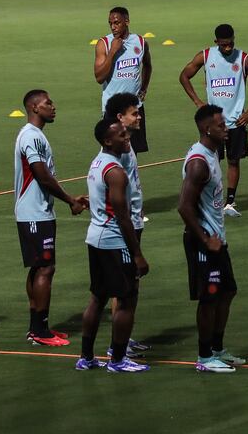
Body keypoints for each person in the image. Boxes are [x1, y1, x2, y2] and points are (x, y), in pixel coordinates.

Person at [14, 89, 88, 346]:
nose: (53, 107)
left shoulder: (35, 135)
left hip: (37, 211)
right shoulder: (31, 137)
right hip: (34, 213)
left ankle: (36, 327)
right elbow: (41, 174)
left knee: (38, 267)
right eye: (48, 103)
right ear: (34, 107)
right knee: (46, 268)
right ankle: (40, 331)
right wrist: (70, 201)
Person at [75, 118, 149, 373]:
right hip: (114, 242)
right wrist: (137, 254)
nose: (127, 136)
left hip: (94, 238)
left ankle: (86, 357)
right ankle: (117, 359)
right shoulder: (116, 172)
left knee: (97, 298)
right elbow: (122, 215)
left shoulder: (97, 163)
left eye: (126, 133)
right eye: (121, 135)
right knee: (126, 300)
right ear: (108, 140)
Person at [177, 105, 245, 373]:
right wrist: (205, 240)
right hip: (202, 241)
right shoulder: (198, 162)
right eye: (220, 125)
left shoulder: (213, 153)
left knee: (228, 291)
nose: (225, 128)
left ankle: (217, 349)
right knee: (210, 297)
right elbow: (184, 206)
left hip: (216, 238)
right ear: (207, 129)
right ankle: (204, 357)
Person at [179, 24, 248, 217]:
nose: (228, 48)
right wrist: (198, 102)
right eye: (224, 45)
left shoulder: (244, 59)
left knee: (233, 161)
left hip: (236, 121)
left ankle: (230, 202)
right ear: (216, 43)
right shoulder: (206, 56)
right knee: (211, 161)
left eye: (230, 44)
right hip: (214, 123)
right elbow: (184, 76)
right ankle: (211, 199)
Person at [104, 92, 151, 358]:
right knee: (122, 286)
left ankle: (124, 338)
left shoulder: (126, 145)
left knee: (130, 284)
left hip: (133, 222)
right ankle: (117, 345)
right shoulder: (117, 150)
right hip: (124, 228)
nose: (139, 116)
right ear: (120, 118)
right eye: (134, 113)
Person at [94, 6, 152, 153]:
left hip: (134, 108)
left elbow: (148, 65)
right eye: (110, 23)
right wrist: (113, 52)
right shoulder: (105, 44)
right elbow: (99, 77)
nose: (113, 27)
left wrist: (144, 88)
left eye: (117, 23)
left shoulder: (140, 41)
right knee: (113, 151)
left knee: (133, 152)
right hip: (112, 109)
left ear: (127, 21)